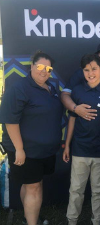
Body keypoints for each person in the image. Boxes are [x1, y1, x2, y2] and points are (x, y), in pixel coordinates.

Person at [0, 51, 63, 225]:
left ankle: (29, 217)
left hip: (45, 150)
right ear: (32, 66)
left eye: (48, 68)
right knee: (33, 186)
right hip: (26, 150)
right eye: (41, 66)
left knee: (33, 185)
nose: (44, 71)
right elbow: (10, 121)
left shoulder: (51, 87)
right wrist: (19, 149)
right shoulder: (19, 88)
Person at [63, 54, 100, 225]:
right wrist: (67, 145)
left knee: (99, 191)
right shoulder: (77, 91)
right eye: (86, 70)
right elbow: (72, 120)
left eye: (94, 69)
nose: (90, 73)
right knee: (76, 189)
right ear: (82, 71)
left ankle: (97, 221)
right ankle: (72, 220)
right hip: (80, 149)